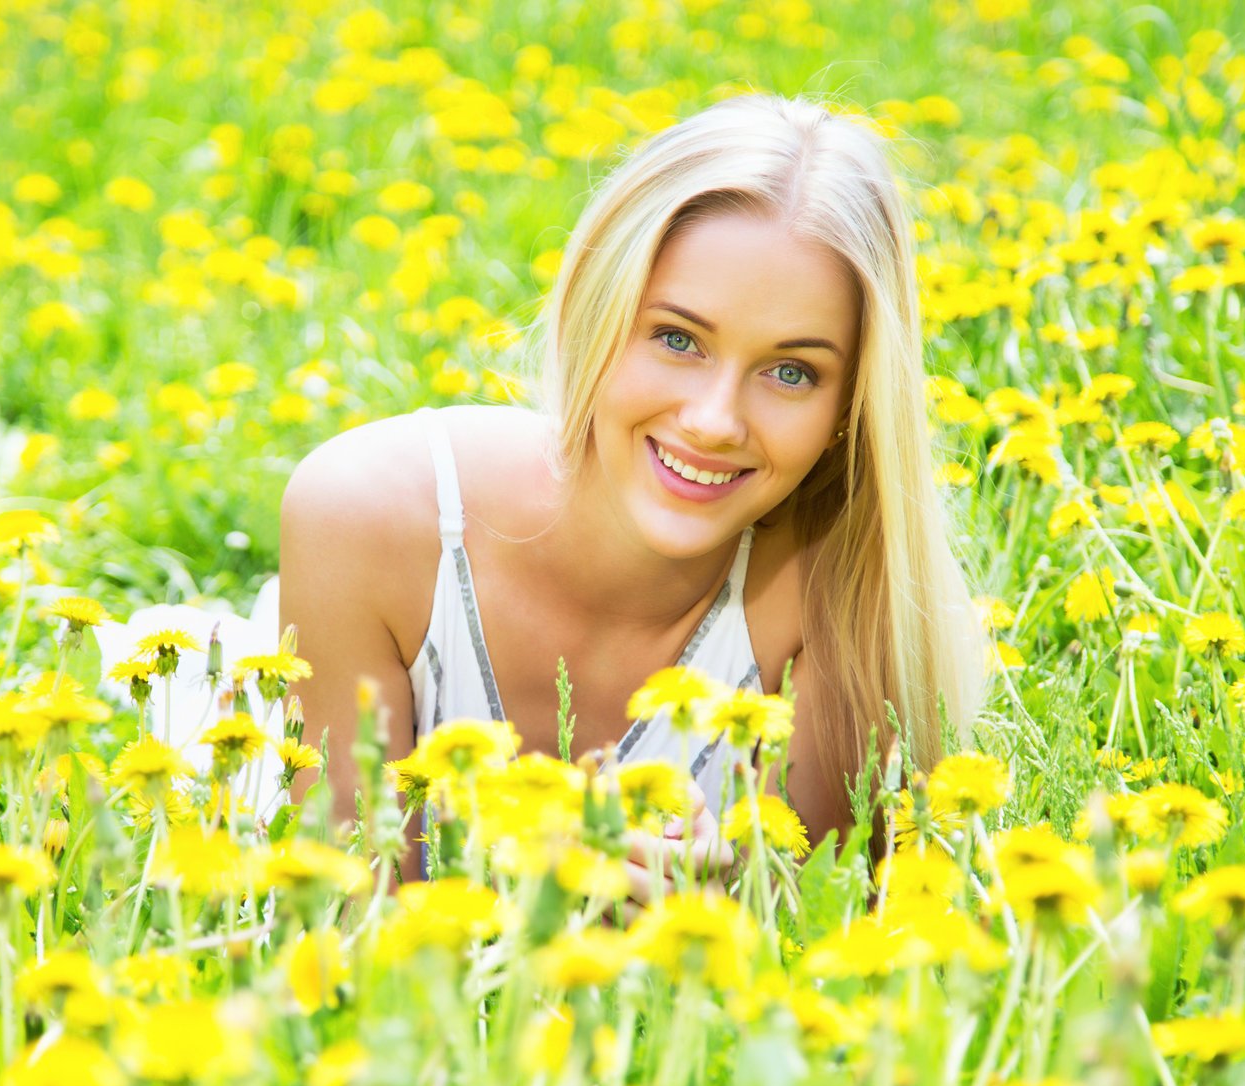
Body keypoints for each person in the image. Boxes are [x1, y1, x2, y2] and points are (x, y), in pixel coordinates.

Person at [278, 92, 986, 887]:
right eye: (677, 338)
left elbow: (817, 943)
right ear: (592, 305)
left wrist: (720, 914)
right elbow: (341, 932)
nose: (716, 422)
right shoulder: (368, 518)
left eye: (792, 372)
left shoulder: (843, 592)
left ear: (850, 405)